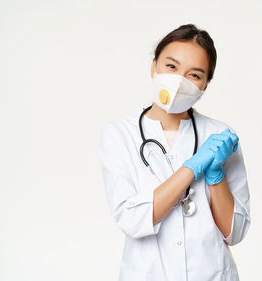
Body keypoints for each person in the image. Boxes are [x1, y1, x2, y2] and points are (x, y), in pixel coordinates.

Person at [99, 24, 251, 281]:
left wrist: (215, 175)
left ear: (205, 86)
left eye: (194, 74)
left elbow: (234, 233)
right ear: (153, 67)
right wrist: (192, 167)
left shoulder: (219, 135)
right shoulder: (120, 134)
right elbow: (132, 219)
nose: (180, 81)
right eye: (171, 67)